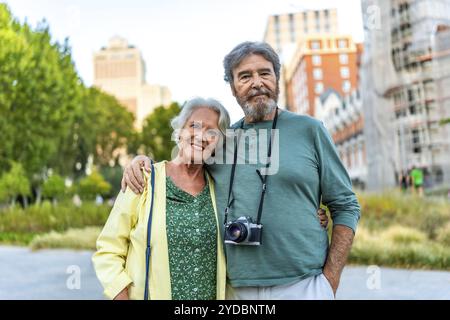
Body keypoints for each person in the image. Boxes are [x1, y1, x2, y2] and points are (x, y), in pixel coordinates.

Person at [122, 42, 360, 300]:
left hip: (304, 284)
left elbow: (346, 204)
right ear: (233, 87)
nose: (257, 82)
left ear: (277, 79)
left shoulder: (310, 130)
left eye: (265, 73)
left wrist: (330, 280)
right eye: (245, 76)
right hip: (235, 290)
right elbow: (183, 165)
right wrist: (141, 160)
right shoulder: (219, 141)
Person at [92, 98, 230, 300]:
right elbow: (108, 249)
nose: (202, 136)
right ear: (179, 131)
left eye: (212, 132)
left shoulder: (219, 189)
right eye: (194, 126)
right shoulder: (144, 178)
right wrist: (120, 296)